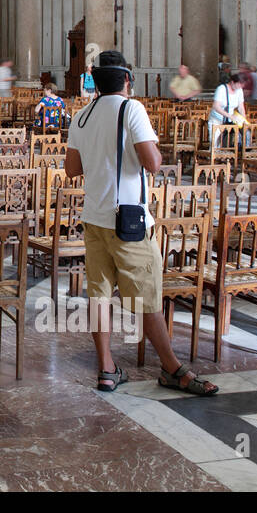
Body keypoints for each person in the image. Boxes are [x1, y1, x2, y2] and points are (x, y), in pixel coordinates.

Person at [64, 50, 218, 396]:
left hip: (94, 218)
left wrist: (102, 160)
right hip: (128, 220)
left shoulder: (82, 116)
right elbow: (152, 163)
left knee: (99, 297)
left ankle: (106, 368)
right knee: (146, 299)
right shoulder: (131, 108)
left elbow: (72, 170)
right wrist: (151, 151)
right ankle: (172, 368)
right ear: (128, 81)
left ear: (96, 81)